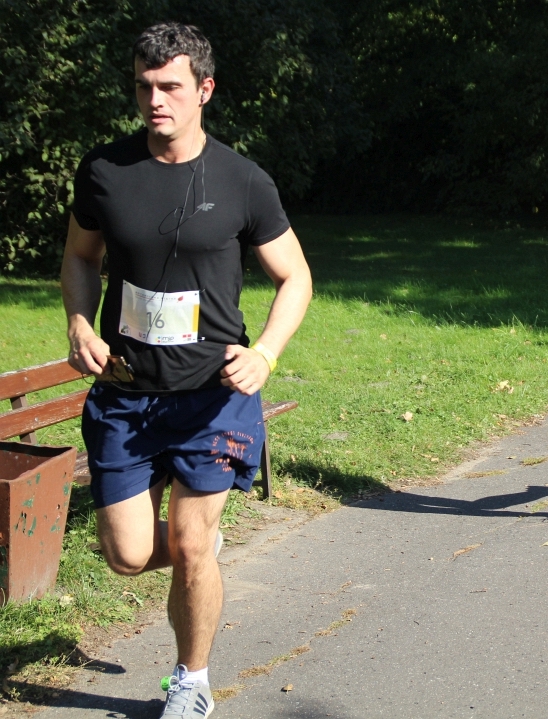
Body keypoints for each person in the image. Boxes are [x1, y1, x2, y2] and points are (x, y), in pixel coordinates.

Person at [61, 23, 312, 718]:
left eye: (170, 86)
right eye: (144, 86)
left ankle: (191, 679)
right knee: (126, 555)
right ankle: (196, 548)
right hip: (126, 393)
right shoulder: (105, 170)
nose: (155, 100)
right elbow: (80, 255)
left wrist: (265, 353)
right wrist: (79, 322)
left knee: (192, 544)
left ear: (204, 90)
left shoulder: (243, 180)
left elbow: (295, 277)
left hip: (213, 394)